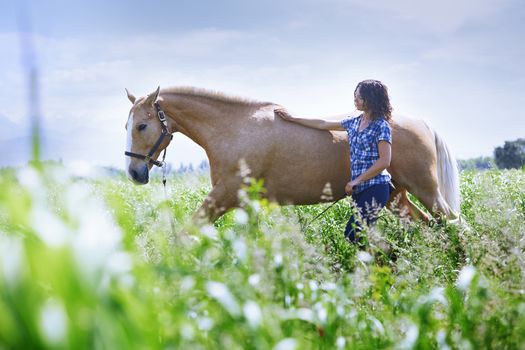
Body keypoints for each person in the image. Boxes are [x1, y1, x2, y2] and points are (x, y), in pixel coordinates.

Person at [274, 79, 393, 244]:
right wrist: (293, 118)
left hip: (376, 187)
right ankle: (387, 261)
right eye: (355, 96)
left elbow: (384, 161)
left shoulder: (381, 126)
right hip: (360, 190)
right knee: (361, 234)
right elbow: (323, 124)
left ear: (370, 99)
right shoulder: (355, 121)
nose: (355, 100)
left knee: (354, 233)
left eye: (359, 97)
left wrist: (357, 180)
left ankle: (388, 259)